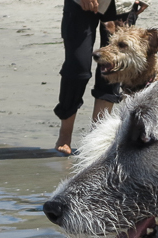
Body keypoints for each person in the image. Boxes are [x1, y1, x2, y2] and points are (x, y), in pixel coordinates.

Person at [54, 0, 143, 156]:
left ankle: (95, 138)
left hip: (122, 4)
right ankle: (65, 134)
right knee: (77, 70)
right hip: (80, 3)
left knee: (112, 69)